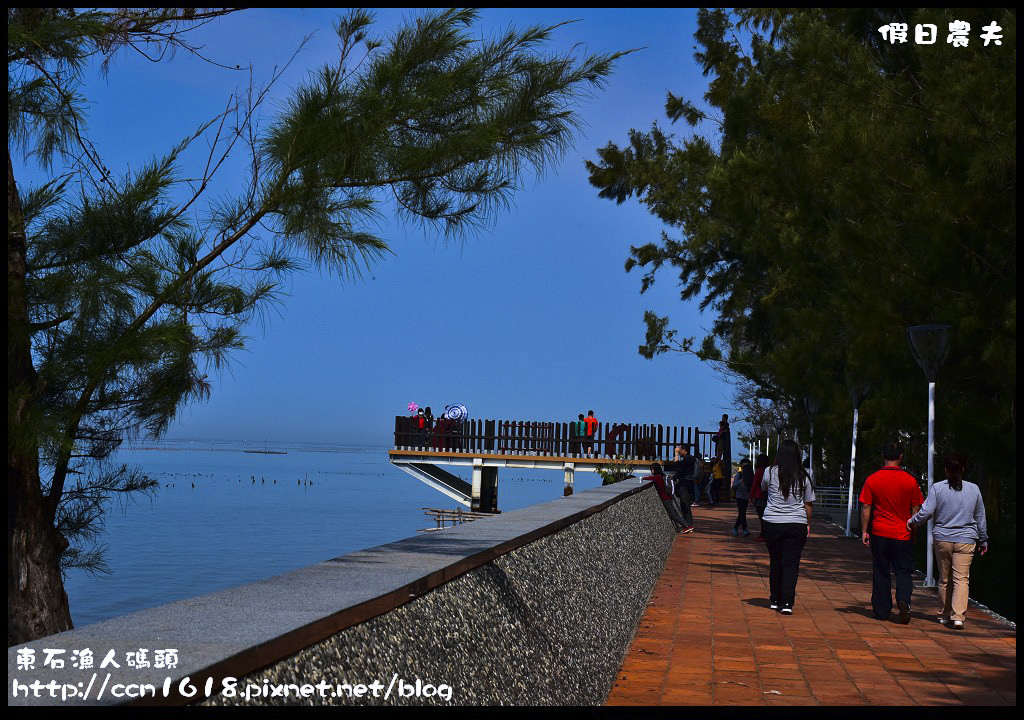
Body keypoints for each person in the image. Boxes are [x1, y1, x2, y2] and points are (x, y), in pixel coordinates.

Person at [907, 454, 989, 629]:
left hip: (943, 538)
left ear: (945, 469)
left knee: (944, 579)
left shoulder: (938, 488)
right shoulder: (974, 489)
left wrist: (912, 522)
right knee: (961, 579)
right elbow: (980, 517)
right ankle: (958, 616)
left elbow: (927, 512)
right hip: (967, 539)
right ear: (963, 469)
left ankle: (943, 614)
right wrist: (983, 539)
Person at [859, 440, 924, 624]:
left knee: (881, 571)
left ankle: (881, 610)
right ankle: (903, 599)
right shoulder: (910, 481)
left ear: (883, 456)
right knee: (903, 571)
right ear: (901, 457)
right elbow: (916, 507)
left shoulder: (873, 479)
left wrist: (865, 530)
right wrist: (914, 528)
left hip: (880, 532)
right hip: (903, 532)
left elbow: (866, 505)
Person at [762, 439, 815, 614]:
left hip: (772, 522)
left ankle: (775, 599)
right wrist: (808, 524)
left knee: (775, 561)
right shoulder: (803, 476)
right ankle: (787, 602)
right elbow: (808, 504)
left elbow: (763, 488)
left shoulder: (769, 472)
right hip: (796, 523)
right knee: (791, 563)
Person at [643, 462, 691, 534]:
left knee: (672, 515)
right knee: (675, 513)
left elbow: (648, 478)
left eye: (652, 470)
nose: (651, 471)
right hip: (669, 497)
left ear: (654, 470)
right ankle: (685, 525)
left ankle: (687, 526)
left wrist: (642, 478)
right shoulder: (662, 476)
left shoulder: (657, 477)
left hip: (666, 499)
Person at [669, 446, 695, 531]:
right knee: (684, 504)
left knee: (685, 504)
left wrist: (676, 454)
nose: (679, 452)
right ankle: (687, 524)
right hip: (685, 484)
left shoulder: (688, 458)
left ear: (684, 450)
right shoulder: (687, 459)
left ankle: (689, 525)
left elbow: (677, 465)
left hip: (685, 485)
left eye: (680, 450)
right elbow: (680, 470)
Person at [750, 454, 770, 542]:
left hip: (759, 496)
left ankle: (763, 535)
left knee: (762, 517)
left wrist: (750, 496)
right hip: (768, 496)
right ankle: (766, 534)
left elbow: (754, 484)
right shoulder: (769, 470)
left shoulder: (759, 471)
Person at [732, 459, 752, 536]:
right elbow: (734, 487)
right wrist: (741, 481)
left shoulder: (750, 475)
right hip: (739, 496)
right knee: (742, 512)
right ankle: (744, 529)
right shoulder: (739, 475)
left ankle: (735, 528)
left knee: (742, 513)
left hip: (746, 497)